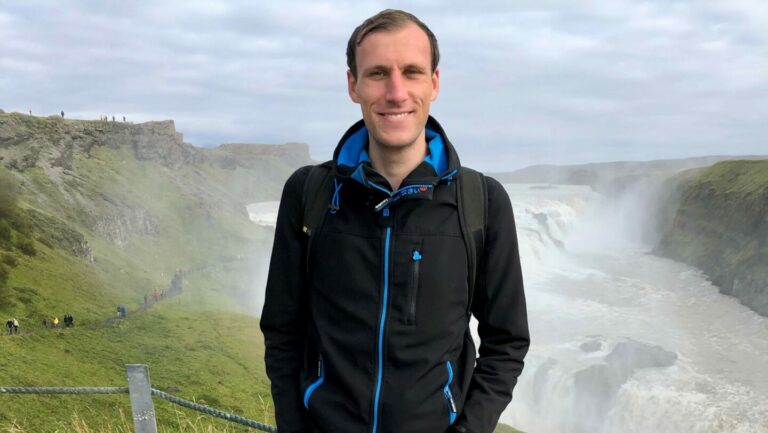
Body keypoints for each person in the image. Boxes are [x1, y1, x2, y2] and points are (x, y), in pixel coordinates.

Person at [261, 9, 529, 433]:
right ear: (353, 85)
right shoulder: (308, 193)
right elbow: (281, 328)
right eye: (377, 74)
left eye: (412, 72)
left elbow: (507, 341)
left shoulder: (483, 202)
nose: (396, 92)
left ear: (434, 83)